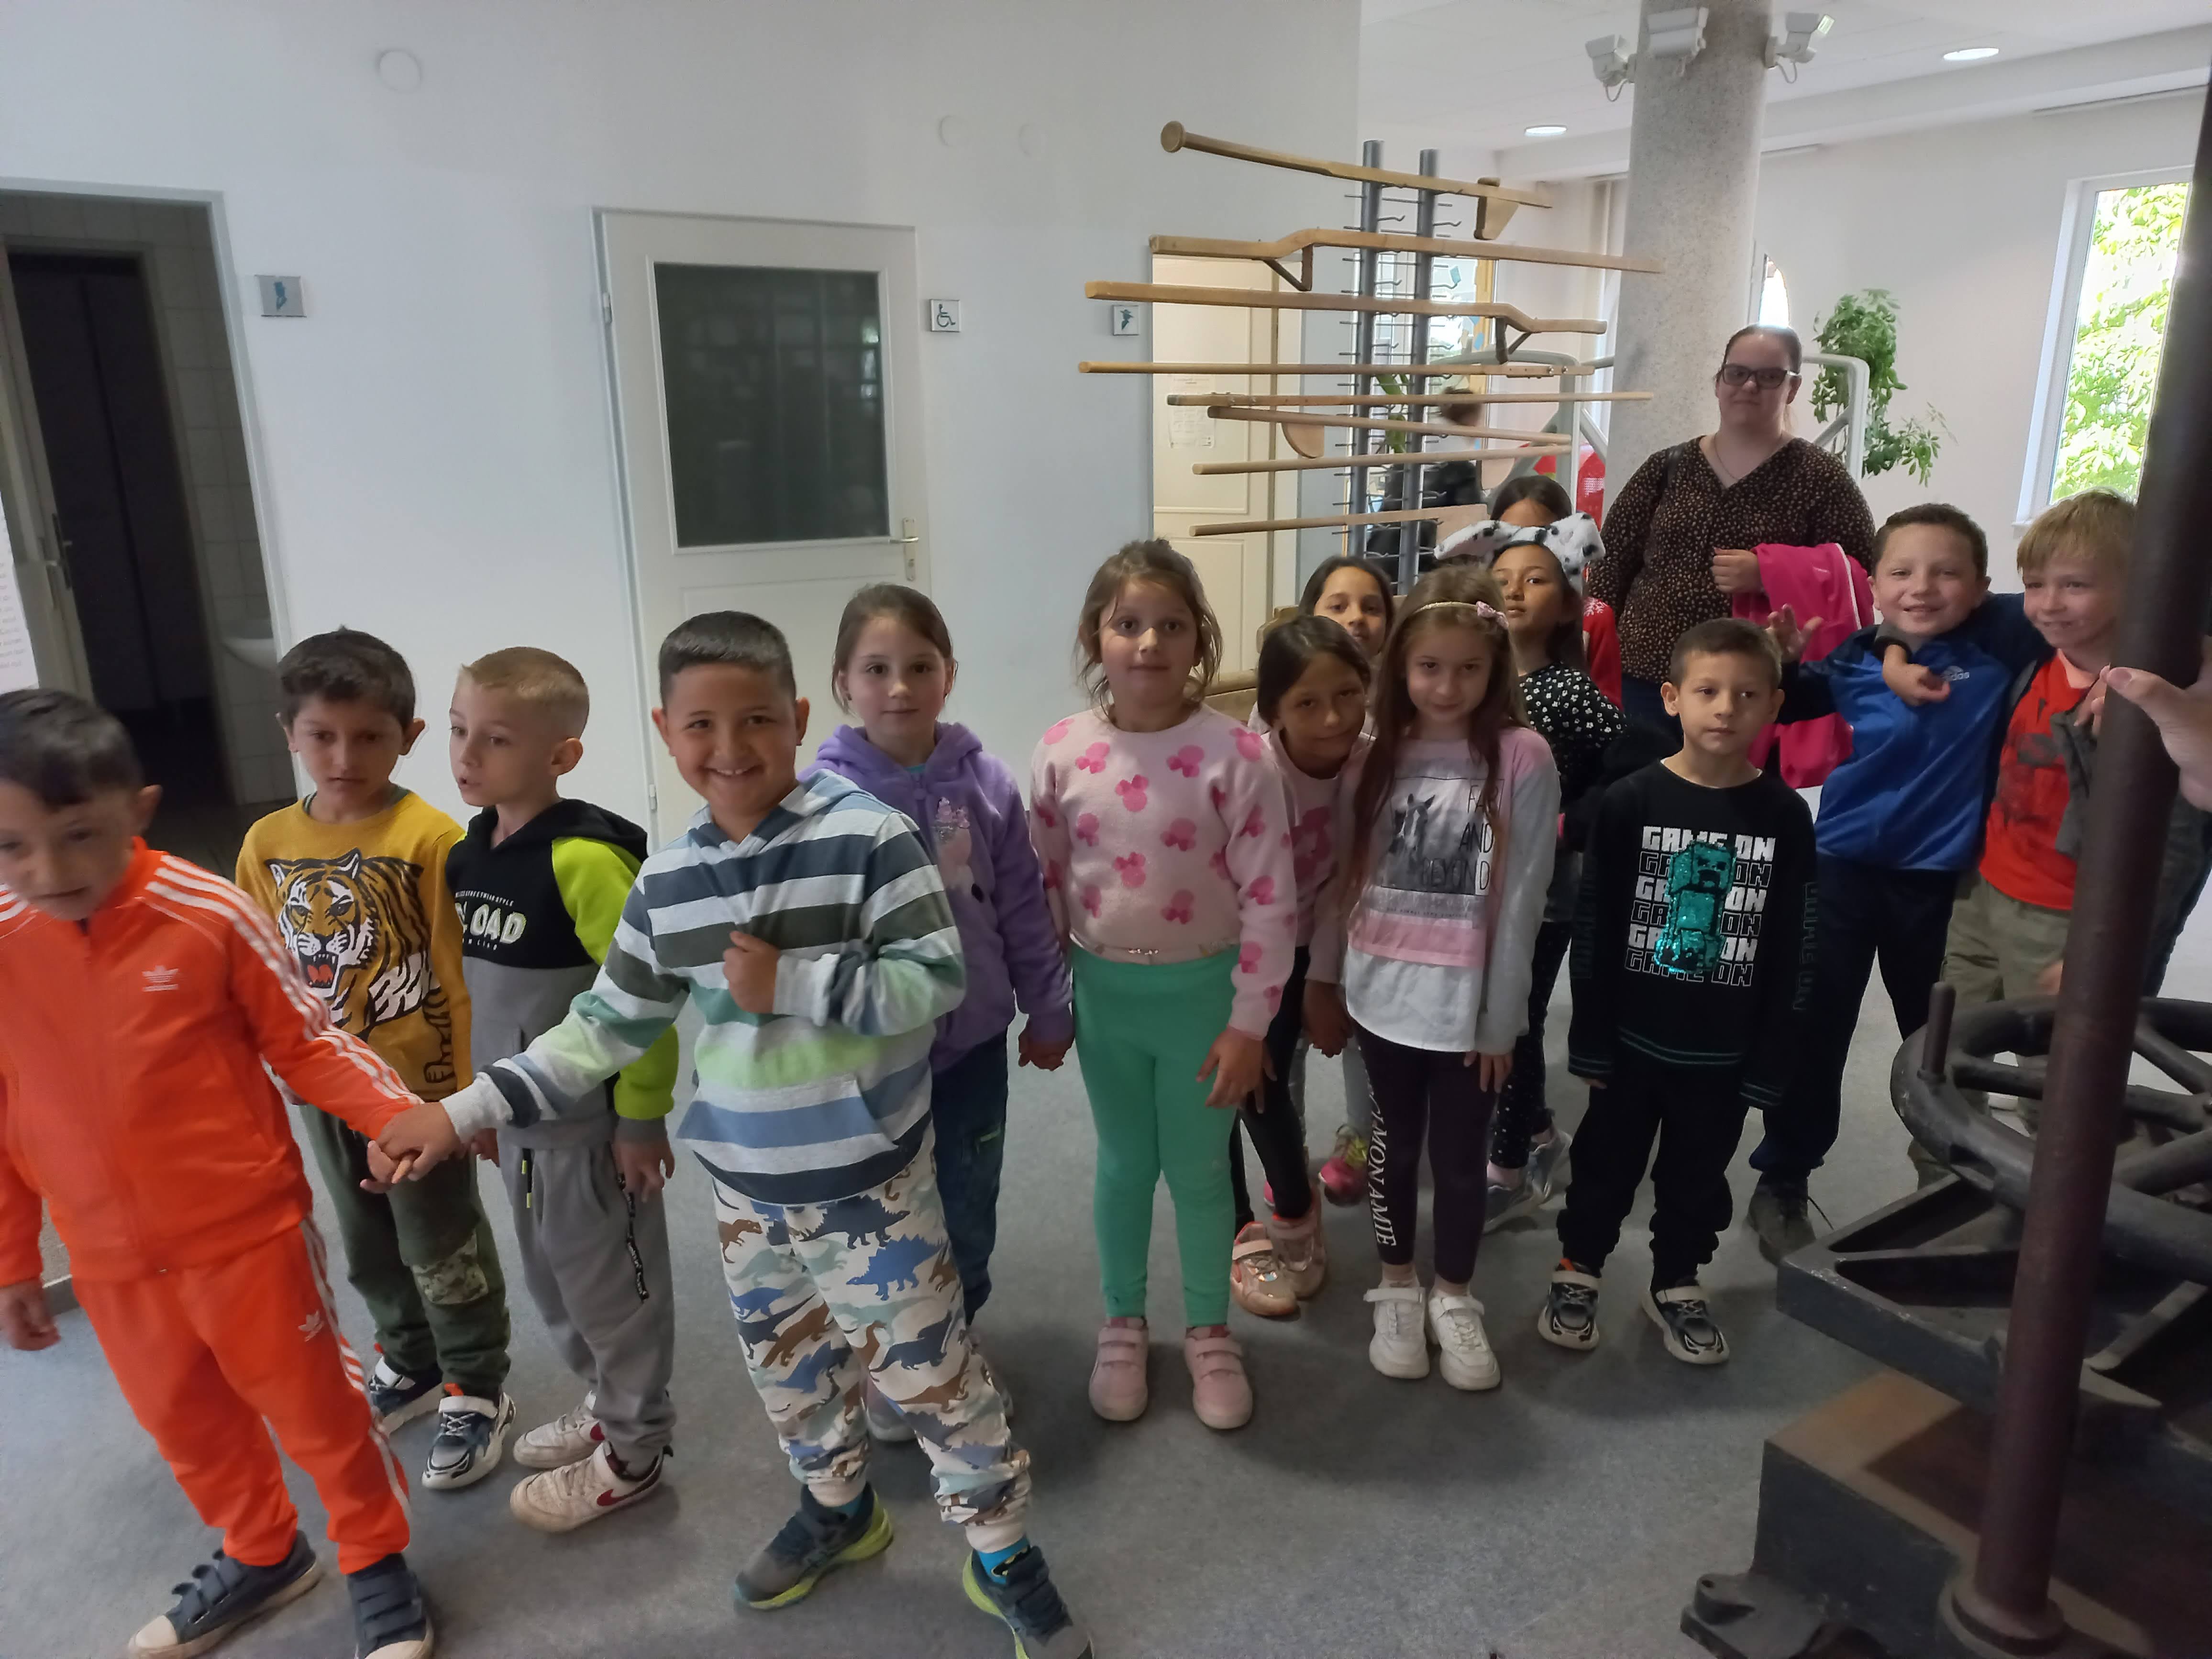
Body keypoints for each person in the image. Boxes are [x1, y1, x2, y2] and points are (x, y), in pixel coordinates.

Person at [377, 612, 1092, 1657]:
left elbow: (935, 980)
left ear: (797, 717)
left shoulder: (866, 837)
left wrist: (790, 981)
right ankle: (839, 1510)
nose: (729, 746)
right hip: (747, 1195)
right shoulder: (670, 880)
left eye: (756, 718)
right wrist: (458, 1111)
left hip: (870, 1188)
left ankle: (1001, 1550)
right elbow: (601, 1026)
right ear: (664, 732)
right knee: (790, 1374)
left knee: (935, 1379)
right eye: (700, 724)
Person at [0, 690, 434, 1659]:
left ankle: (374, 1555)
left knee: (318, 1408)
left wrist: (395, 1113)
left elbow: (308, 1041)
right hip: (111, 1262)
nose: (47, 872)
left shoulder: (208, 913)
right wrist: (14, 1260)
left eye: (78, 836)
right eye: (10, 847)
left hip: (247, 1234)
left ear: (138, 810)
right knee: (187, 1423)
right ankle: (264, 1550)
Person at [234, 629, 514, 1490]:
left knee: (441, 1241)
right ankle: (411, 1356)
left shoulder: (431, 836)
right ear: (289, 732)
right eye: (321, 735)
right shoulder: (266, 843)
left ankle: (476, 1381)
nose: (343, 757)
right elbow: (257, 970)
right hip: (323, 1089)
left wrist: (468, 1100)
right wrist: (270, 1073)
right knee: (365, 1239)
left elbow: (459, 974)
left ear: (409, 736)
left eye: (368, 737)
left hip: (417, 1093)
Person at [1029, 540, 1296, 1431]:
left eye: (1171, 625)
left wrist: (1250, 1025)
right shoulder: (1063, 751)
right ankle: (1122, 1321)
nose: (1149, 642)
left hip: (1206, 1000)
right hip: (1105, 994)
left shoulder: (1238, 754)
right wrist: (1049, 1001)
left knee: (1197, 1167)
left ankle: (1209, 1330)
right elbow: (1044, 885)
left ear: (1199, 640)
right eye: (1128, 623)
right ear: (1095, 638)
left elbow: (1271, 900)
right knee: (1123, 1163)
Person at [1743, 505, 2045, 1258]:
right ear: (1873, 586)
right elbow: (1793, 699)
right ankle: (1782, 1177)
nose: (1923, 586)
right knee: (1815, 1031)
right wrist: (1784, 662)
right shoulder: (1854, 655)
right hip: (1840, 871)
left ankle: (1947, 1183)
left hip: (1941, 887)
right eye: (1902, 572)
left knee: (1940, 1044)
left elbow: (2066, 600)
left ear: (1981, 587)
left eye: (1947, 572)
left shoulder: (2002, 643)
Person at [808, 585, 1074, 1429]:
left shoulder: (985, 782)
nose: (899, 687)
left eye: (919, 667)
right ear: (842, 683)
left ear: (948, 674)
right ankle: (892, 1356)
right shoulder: (820, 798)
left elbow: (1023, 903)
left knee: (965, 1196)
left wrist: (1048, 1004)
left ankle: (956, 1336)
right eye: (875, 669)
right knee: (881, 1209)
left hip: (973, 1049)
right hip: (873, 1056)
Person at [443, 647, 682, 1530]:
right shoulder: (471, 854)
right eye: (460, 731)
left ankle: (636, 1448)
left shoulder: (585, 860)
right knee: (553, 1286)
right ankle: (603, 1403)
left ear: (561, 755)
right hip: (519, 1127)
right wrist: (480, 1104)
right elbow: (484, 996)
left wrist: (640, 1117)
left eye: (496, 739)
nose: (467, 755)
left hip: (589, 1133)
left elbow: (644, 1002)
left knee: (613, 1294)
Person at [1305, 562, 1559, 1391]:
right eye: (1428, 667)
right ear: (1401, 666)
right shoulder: (1372, 759)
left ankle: (1453, 1293)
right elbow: (1344, 882)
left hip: (1467, 1007)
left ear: (1494, 669)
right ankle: (1396, 1285)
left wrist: (1501, 1019)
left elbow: (1522, 899)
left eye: (1468, 668)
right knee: (1391, 1146)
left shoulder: (1521, 757)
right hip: (1382, 994)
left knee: (1457, 1158)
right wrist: (1325, 980)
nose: (1447, 686)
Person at [1540, 619, 1817, 1364]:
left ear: (1774, 705)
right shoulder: (1630, 801)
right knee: (1605, 1166)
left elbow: (1796, 945)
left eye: (1747, 695)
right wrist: (1590, 1038)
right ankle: (1579, 1266)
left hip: (1725, 1050)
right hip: (1631, 1041)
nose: (1726, 708)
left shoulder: (1784, 817)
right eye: (1708, 691)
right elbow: (1595, 927)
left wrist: (1774, 1057)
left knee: (1697, 1176)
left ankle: (1676, 1280)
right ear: (1671, 698)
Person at [1906, 493, 2209, 1172]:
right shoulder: (2035, 661)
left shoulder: (2155, 701)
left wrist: (2113, 951)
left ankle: (2053, 1213)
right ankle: (1940, 1191)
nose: (2047, 604)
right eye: (2036, 584)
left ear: (2140, 586)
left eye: (2075, 585)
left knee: (2056, 1088)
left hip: (2066, 919)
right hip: (1986, 893)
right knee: (1947, 1059)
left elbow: (2174, 848)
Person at [1586, 324, 1876, 733]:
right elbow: (1611, 561)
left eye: (1769, 376)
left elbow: (1860, 574)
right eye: (1737, 373)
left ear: (1793, 388)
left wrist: (1770, 573)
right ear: (1719, 383)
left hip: (1746, 692)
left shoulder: (1819, 478)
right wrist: (1592, 651)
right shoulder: (1668, 466)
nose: (1750, 385)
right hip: (1646, 681)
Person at [1224, 614, 1371, 1317]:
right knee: (1237, 1084)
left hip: (1317, 937)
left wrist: (1321, 980)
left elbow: (1348, 882)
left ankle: (1292, 1204)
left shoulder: (1369, 764)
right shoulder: (1252, 769)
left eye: (1347, 695)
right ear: (1274, 709)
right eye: (1308, 703)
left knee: (1268, 1078)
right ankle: (1241, 1222)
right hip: (1241, 946)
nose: (1332, 718)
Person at [1486, 529, 1624, 1231]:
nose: (1514, 590)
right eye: (1502, 577)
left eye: (1535, 579)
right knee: (1493, 1018)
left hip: (1544, 893)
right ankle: (1539, 1129)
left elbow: (1630, 762)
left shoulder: (1566, 690)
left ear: (1569, 606)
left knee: (1518, 1023)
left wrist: (1571, 824)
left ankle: (1508, 1171)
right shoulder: (1474, 682)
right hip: (1476, 889)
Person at [1294, 556, 1393, 1210]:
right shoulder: (1273, 726)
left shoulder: (1397, 720)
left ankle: (1362, 1140)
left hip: (1365, 921)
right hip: (1285, 922)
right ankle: (1289, 1153)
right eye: (1337, 605)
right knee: (1286, 1046)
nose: (1356, 618)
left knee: (1363, 1040)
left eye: (1371, 606)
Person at [1443, 474, 1624, 707]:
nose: (1524, 547)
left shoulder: (1595, 617)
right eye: (1512, 537)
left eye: (1539, 536)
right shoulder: (1470, 611)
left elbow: (1607, 707)